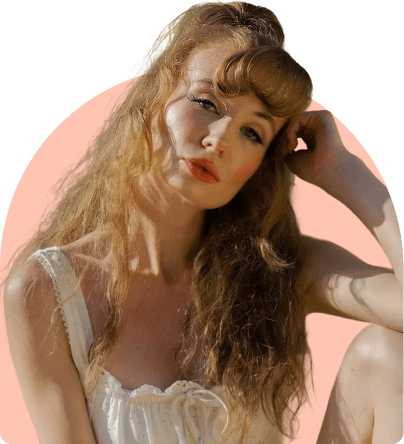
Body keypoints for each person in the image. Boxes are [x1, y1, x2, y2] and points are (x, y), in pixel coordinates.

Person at [3, 1, 403, 443]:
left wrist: (346, 173)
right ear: (154, 94)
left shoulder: (281, 269)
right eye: (206, 102)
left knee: (389, 357)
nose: (219, 139)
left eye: (252, 132)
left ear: (260, 165)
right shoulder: (48, 291)